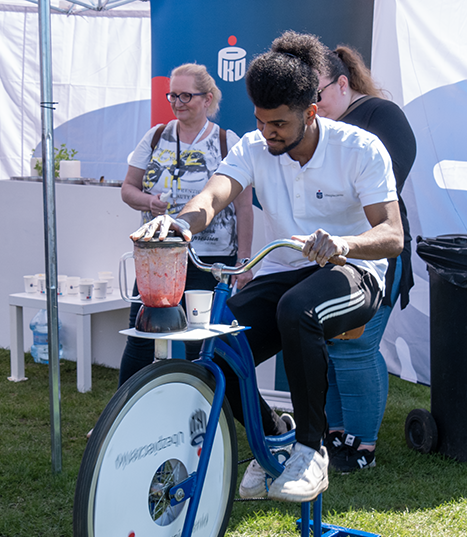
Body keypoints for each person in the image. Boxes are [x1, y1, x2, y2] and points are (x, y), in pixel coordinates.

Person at [131, 32, 403, 502]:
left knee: (298, 309)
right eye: (260, 121)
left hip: (356, 271)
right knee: (218, 342)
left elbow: (393, 237)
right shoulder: (255, 146)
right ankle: (274, 433)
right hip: (285, 270)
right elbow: (214, 194)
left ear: (311, 112)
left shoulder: (359, 148)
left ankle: (311, 450)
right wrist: (180, 224)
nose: (268, 132)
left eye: (278, 123)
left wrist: (343, 242)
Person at [118, 63, 254, 385]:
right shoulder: (155, 137)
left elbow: (244, 207)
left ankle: (193, 413)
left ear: (207, 99)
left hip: (208, 259)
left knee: (198, 340)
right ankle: (120, 415)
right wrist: (150, 202)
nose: (177, 103)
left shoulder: (226, 141)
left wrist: (244, 260)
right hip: (158, 255)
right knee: (141, 335)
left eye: (185, 96)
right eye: (172, 95)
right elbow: (128, 189)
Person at [315, 46, 417, 473]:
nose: (311, 104)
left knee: (355, 346)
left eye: (316, 92)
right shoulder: (320, 125)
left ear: (342, 83)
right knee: (331, 347)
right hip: (330, 254)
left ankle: (362, 446)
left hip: (374, 253)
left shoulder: (379, 115)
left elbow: (385, 185)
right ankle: (336, 435)